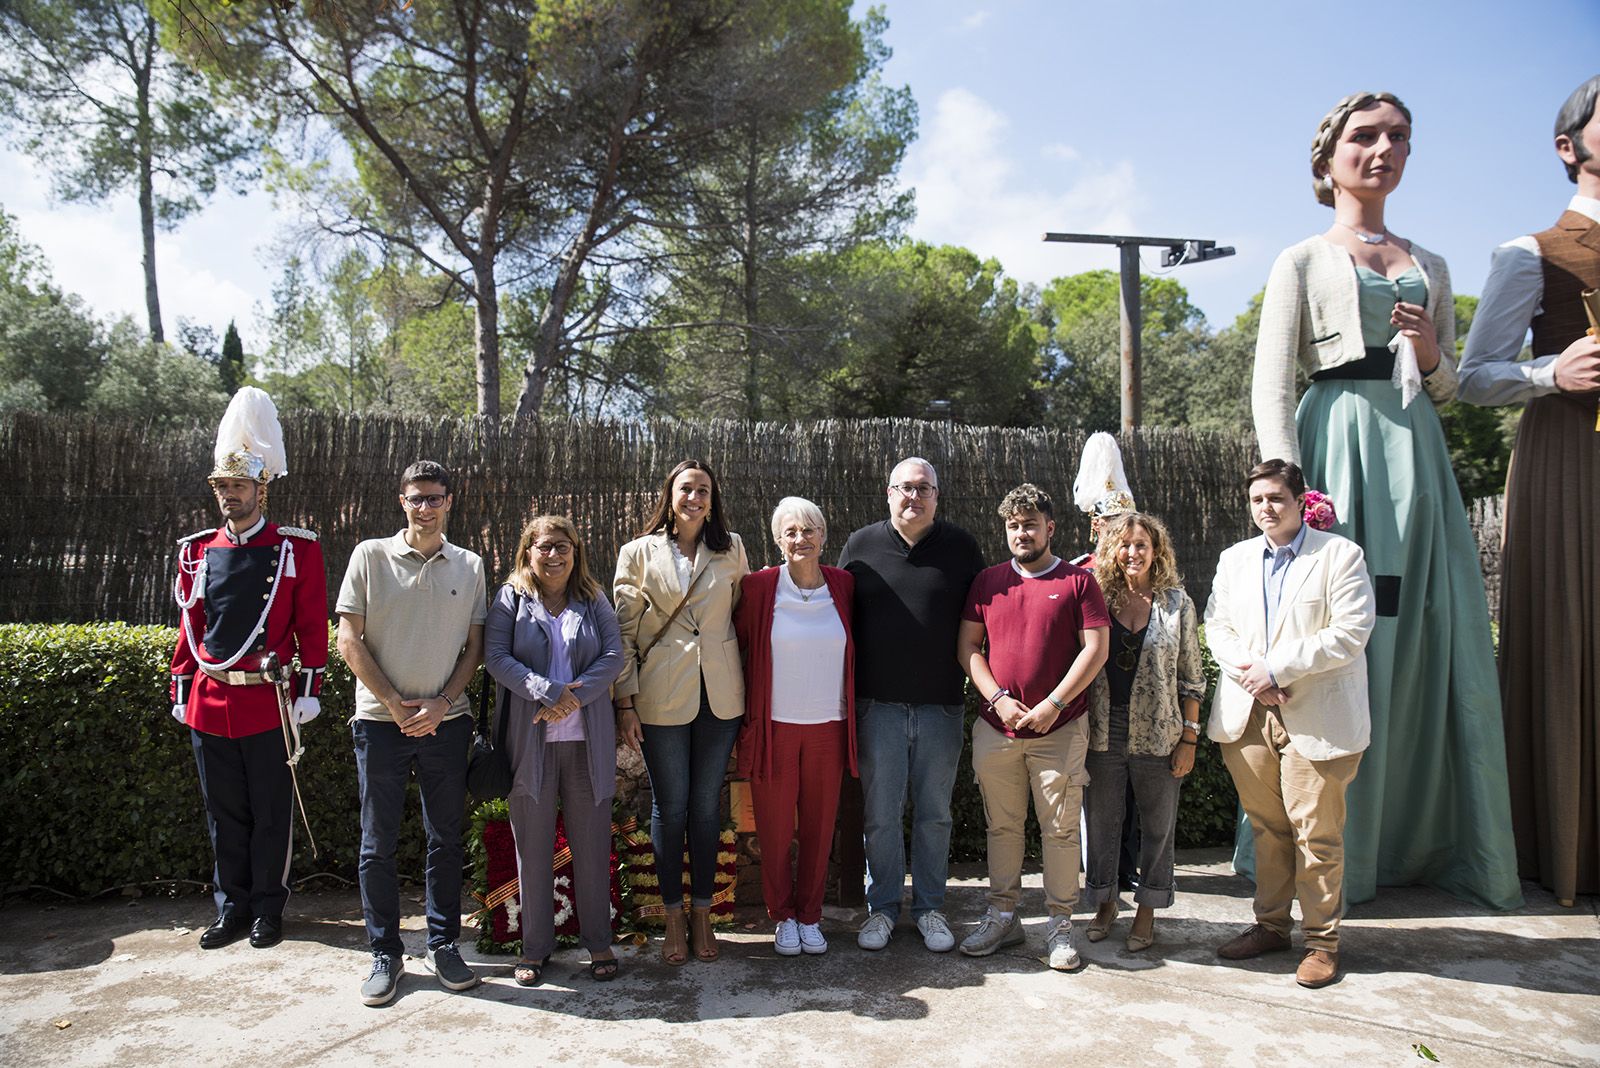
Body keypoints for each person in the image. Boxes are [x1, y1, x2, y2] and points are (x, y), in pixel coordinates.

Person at [1249, 91, 1521, 910]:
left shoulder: (1431, 264)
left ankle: (1422, 845)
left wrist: (1436, 353)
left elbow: (1445, 389)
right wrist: (1288, 489)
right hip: (1336, 445)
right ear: (1328, 156)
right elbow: (1271, 382)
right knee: (1331, 640)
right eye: (1364, 136)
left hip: (1417, 458)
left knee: (1425, 636)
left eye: (1399, 137)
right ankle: (1326, 857)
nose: (1383, 149)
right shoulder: (1299, 259)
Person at [1457, 74, 1600, 907]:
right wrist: (1552, 370)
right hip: (1570, 463)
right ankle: (1567, 850)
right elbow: (1474, 376)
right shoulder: (1532, 251)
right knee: (1573, 639)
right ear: (1567, 146)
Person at [1206, 460, 1375, 989]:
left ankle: (1322, 943)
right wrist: (1255, 678)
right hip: (1248, 714)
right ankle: (1271, 927)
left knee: (1316, 835)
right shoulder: (1234, 559)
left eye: (1276, 497)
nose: (1266, 508)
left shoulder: (1339, 555)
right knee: (1267, 830)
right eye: (1257, 499)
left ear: (1301, 499)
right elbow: (1219, 624)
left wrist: (1277, 669)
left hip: (1317, 716)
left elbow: (1350, 632)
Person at [170, 387, 327, 952]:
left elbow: (312, 626)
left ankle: (268, 908)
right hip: (210, 702)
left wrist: (309, 685)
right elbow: (191, 627)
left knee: (269, 814)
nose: (229, 496)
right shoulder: (194, 552)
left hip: (267, 699)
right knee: (223, 814)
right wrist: (181, 684)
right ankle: (230, 907)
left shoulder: (296, 550)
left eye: (238, 486)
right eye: (221, 487)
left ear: (261, 488)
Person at [336, 460, 487, 1006]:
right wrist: (396, 706)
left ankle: (444, 943)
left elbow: (475, 647)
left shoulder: (469, 565)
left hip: (447, 725)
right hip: (381, 725)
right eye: (417, 498)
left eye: (436, 498)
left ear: (450, 501)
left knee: (445, 840)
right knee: (376, 844)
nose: (426, 507)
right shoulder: (369, 556)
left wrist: (443, 702)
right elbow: (348, 639)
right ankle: (385, 953)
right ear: (402, 501)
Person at [955, 484, 1108, 971]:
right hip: (997, 729)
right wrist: (998, 700)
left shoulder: (1080, 582)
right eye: (1014, 526)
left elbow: (1095, 649)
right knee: (1001, 827)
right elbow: (968, 649)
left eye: (1030, 524)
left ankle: (1061, 924)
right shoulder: (988, 582)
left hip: (1060, 730)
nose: (1022, 533)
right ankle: (1003, 915)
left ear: (1050, 528)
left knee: (1060, 831)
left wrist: (1052, 705)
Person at [839, 457, 985, 953]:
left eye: (924, 489)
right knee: (880, 814)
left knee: (935, 814)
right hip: (876, 707)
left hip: (940, 708)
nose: (914, 497)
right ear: (888, 492)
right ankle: (881, 909)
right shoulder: (860, 546)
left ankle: (929, 909)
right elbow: (832, 613)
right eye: (905, 488)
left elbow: (987, 624)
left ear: (937, 496)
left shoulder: (963, 549)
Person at [612, 459, 749, 966]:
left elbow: (743, 618)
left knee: (706, 807)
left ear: (713, 499)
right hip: (660, 695)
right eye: (686, 489)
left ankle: (702, 913)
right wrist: (624, 701)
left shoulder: (731, 548)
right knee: (670, 808)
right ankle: (671, 914)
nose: (695, 497)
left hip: (720, 696)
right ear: (669, 496)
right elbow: (623, 635)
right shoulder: (637, 553)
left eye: (704, 490)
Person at [485, 515, 625, 985]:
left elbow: (613, 656)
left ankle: (598, 943)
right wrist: (547, 691)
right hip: (531, 745)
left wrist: (574, 697)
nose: (554, 555)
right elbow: (496, 658)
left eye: (563, 546)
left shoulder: (594, 598)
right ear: (528, 551)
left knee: (592, 847)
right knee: (534, 849)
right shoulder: (510, 599)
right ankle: (535, 949)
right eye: (545, 546)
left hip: (588, 744)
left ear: (576, 551)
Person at [733, 497, 857, 957]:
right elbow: (739, 642)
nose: (801, 539)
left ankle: (810, 916)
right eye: (791, 531)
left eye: (809, 530)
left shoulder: (844, 586)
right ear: (777, 540)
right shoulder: (760, 587)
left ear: (823, 536)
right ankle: (782, 916)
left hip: (829, 725)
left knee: (821, 826)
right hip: (775, 728)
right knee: (774, 827)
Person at [1082, 512, 1204, 952]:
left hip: (1160, 730)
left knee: (1157, 825)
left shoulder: (1177, 603)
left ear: (1156, 552)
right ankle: (1104, 903)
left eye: (1141, 545)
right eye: (1125, 545)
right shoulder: (1096, 597)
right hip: (1102, 729)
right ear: (1113, 550)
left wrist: (1189, 738)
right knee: (1101, 821)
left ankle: (1147, 910)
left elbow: (1192, 677)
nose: (1132, 553)